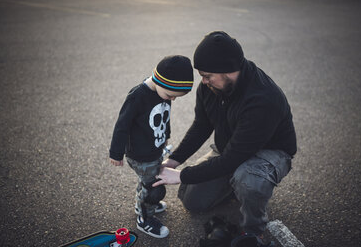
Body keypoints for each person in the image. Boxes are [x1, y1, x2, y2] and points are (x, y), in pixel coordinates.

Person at [153, 31, 297, 244]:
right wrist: (173, 161)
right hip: (230, 147)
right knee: (193, 201)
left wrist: (182, 175)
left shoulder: (263, 99)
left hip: (269, 152)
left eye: (207, 75)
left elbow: (233, 157)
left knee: (249, 179)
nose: (202, 81)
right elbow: (201, 126)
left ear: (228, 71)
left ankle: (253, 231)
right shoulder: (210, 87)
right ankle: (234, 184)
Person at [109, 55, 194, 238]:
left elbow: (165, 116)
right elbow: (122, 125)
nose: (173, 99)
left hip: (154, 150)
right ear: (159, 80)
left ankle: (145, 203)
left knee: (148, 184)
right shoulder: (137, 97)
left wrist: (165, 137)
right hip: (140, 154)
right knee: (155, 188)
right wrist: (116, 152)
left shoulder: (163, 91)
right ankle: (144, 217)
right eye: (171, 95)